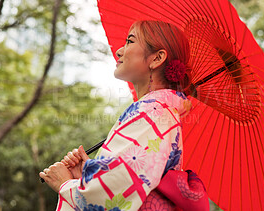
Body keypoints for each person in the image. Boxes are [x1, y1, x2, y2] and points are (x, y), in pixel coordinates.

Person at [39, 20, 209, 211]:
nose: (120, 51)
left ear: (157, 58)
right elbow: (129, 179)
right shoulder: (156, 112)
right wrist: (88, 172)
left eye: (130, 41)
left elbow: (114, 194)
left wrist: (65, 185)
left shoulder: (153, 114)